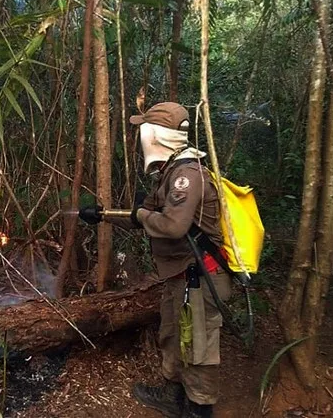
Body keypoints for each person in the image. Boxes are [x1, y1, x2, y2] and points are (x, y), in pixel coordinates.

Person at [79, 102, 230, 418]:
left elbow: (173, 225)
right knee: (173, 337)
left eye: (144, 131)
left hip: (201, 279)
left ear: (158, 136)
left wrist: (143, 214)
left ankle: (200, 411)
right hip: (181, 278)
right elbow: (141, 217)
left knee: (199, 350)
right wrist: (103, 215)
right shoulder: (170, 173)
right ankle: (172, 397)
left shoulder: (187, 175)